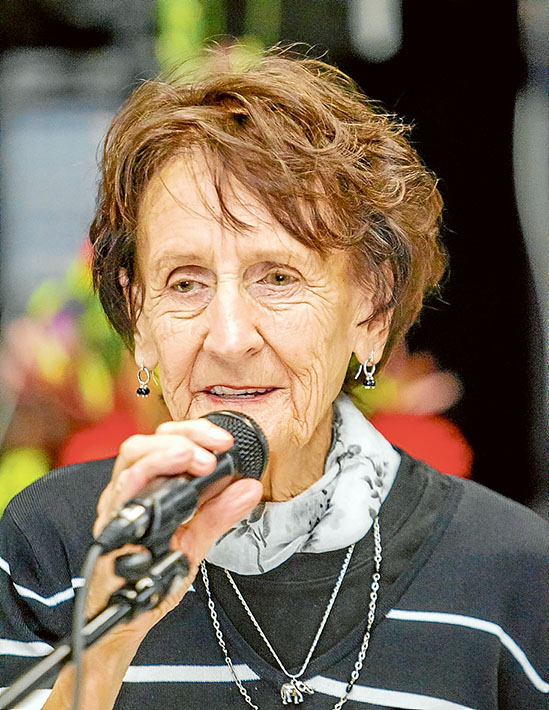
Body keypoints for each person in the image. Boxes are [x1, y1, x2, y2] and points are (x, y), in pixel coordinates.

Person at [0, 47, 546, 710]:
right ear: (139, 317)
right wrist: (110, 636)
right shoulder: (49, 549)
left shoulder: (511, 573)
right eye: (185, 283)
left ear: (369, 310)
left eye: (278, 278)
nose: (229, 338)